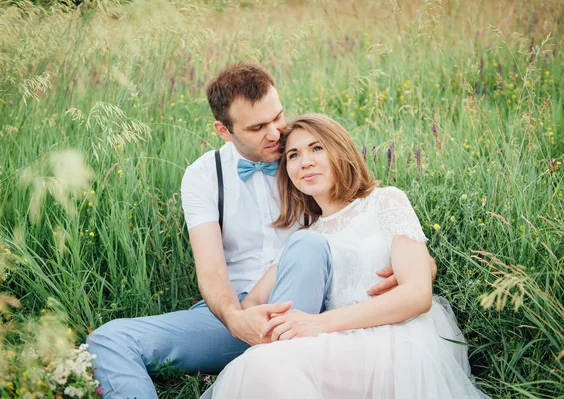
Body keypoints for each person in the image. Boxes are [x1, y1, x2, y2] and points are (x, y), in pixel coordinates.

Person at [86, 63, 432, 398]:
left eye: (277, 116)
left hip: (307, 306)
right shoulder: (204, 175)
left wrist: (420, 265)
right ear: (224, 130)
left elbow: (357, 216)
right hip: (238, 311)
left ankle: (274, 367)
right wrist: (236, 319)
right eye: (256, 128)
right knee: (109, 340)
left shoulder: (302, 156)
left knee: (307, 245)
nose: (275, 133)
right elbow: (210, 272)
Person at [201, 114, 489, 399]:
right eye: (293, 155)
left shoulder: (385, 201)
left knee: (264, 365)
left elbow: (417, 294)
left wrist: (317, 324)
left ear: (340, 150)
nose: (306, 162)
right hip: (339, 344)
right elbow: (252, 300)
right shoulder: (309, 236)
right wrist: (259, 321)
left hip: (396, 339)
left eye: (317, 148)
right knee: (259, 365)